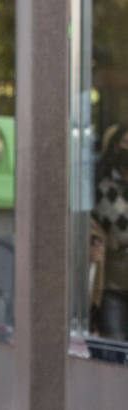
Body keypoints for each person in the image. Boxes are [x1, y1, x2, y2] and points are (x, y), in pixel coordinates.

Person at [92, 123, 128, 341]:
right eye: (125, 144)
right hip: (114, 284)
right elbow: (121, 226)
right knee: (113, 347)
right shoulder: (104, 185)